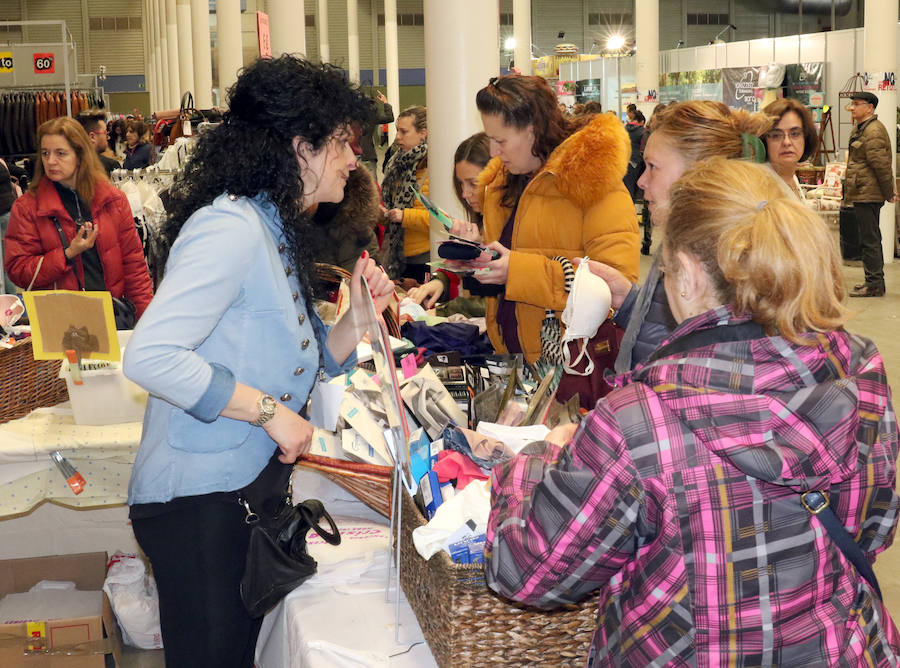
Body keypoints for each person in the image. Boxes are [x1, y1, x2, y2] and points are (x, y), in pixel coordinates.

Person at [486, 157, 900, 666]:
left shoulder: (640, 421)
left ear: (684, 274)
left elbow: (527, 569)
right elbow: (874, 529)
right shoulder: (859, 370)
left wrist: (527, 463)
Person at [121, 56, 394, 668]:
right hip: (198, 507)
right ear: (302, 147)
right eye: (344, 144)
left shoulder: (273, 226)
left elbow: (297, 363)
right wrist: (267, 412)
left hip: (242, 495)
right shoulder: (231, 228)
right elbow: (153, 355)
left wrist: (356, 318)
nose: (354, 161)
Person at [583, 100, 771, 373]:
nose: (641, 181)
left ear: (699, 172)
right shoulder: (684, 240)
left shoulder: (731, 261)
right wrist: (631, 301)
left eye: (653, 167)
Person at [466, 74, 640, 365]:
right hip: (513, 361)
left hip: (571, 369)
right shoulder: (502, 183)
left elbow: (614, 289)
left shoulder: (594, 180)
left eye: (500, 141)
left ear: (533, 128)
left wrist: (517, 272)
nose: (494, 152)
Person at [4, 117, 153, 316]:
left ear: (80, 155)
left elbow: (135, 268)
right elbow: (18, 271)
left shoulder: (114, 200)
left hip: (111, 319)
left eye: (60, 153)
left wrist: (145, 323)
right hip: (57, 323)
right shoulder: (27, 208)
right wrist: (66, 254)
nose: (50, 161)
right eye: (45, 153)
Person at [407, 132, 491, 309]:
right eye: (461, 183)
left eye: (473, 183)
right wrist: (440, 282)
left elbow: (494, 303)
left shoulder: (514, 226)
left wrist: (443, 313)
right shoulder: (482, 221)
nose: (464, 194)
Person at [842, 91, 897, 298]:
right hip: (862, 191)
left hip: (868, 193)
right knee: (868, 238)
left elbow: (881, 165)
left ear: (870, 108)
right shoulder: (861, 128)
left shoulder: (873, 130)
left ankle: (874, 284)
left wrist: (889, 192)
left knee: (870, 239)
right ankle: (872, 280)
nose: (853, 108)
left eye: (857, 104)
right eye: (852, 104)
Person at [381, 105, 430, 283]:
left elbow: (443, 219)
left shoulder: (434, 167)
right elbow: (391, 204)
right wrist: (383, 214)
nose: (397, 137)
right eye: (397, 131)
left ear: (423, 133)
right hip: (398, 258)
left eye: (404, 132)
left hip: (423, 259)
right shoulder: (396, 165)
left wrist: (404, 216)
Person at [761, 97, 817, 198]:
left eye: (795, 133)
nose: (787, 142)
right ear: (764, 141)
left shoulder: (790, 177)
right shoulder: (763, 187)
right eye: (776, 135)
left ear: (806, 136)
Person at [359, 90, 393, 179]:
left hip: (355, 155)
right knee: (373, 186)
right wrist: (385, 102)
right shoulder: (372, 117)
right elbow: (390, 117)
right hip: (369, 155)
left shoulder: (350, 118)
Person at [76, 109, 120, 177]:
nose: (108, 137)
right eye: (105, 133)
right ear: (92, 137)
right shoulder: (110, 166)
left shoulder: (68, 165)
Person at [623, 109, 646, 200]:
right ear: (642, 122)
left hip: (623, 160)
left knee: (626, 187)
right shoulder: (643, 131)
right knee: (633, 188)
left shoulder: (624, 129)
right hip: (635, 162)